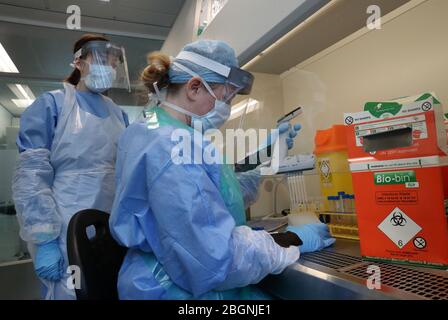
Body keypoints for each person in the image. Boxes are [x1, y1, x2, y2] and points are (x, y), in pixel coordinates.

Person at [109, 40, 335, 300]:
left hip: (163, 275)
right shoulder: (173, 146)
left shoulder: (154, 127)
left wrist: (262, 158)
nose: (225, 108)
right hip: (175, 287)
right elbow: (215, 258)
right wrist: (291, 239)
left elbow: (218, 194)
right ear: (194, 87)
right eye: (226, 97)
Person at [12, 34, 130, 300]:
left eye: (113, 63)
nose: (109, 68)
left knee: (108, 288)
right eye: (101, 60)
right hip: (65, 222)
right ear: (79, 62)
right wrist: (44, 238)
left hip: (111, 224)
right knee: (71, 291)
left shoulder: (118, 113)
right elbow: (31, 176)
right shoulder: (53, 104)